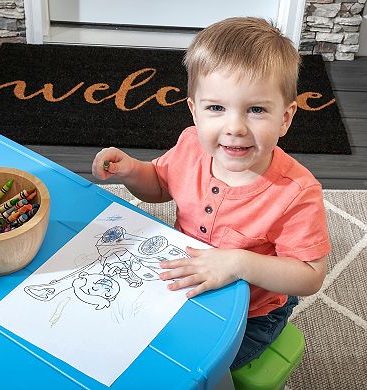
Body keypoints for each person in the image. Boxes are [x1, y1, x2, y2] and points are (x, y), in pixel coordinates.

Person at [92, 17, 331, 369]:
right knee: (119, 337)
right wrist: (131, 171)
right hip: (186, 279)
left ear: (285, 117)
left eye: (256, 109)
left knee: (189, 365)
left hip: (252, 313)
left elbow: (310, 275)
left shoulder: (296, 192)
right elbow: (160, 184)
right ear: (194, 110)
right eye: (216, 108)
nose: (234, 127)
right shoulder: (191, 145)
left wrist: (238, 263)